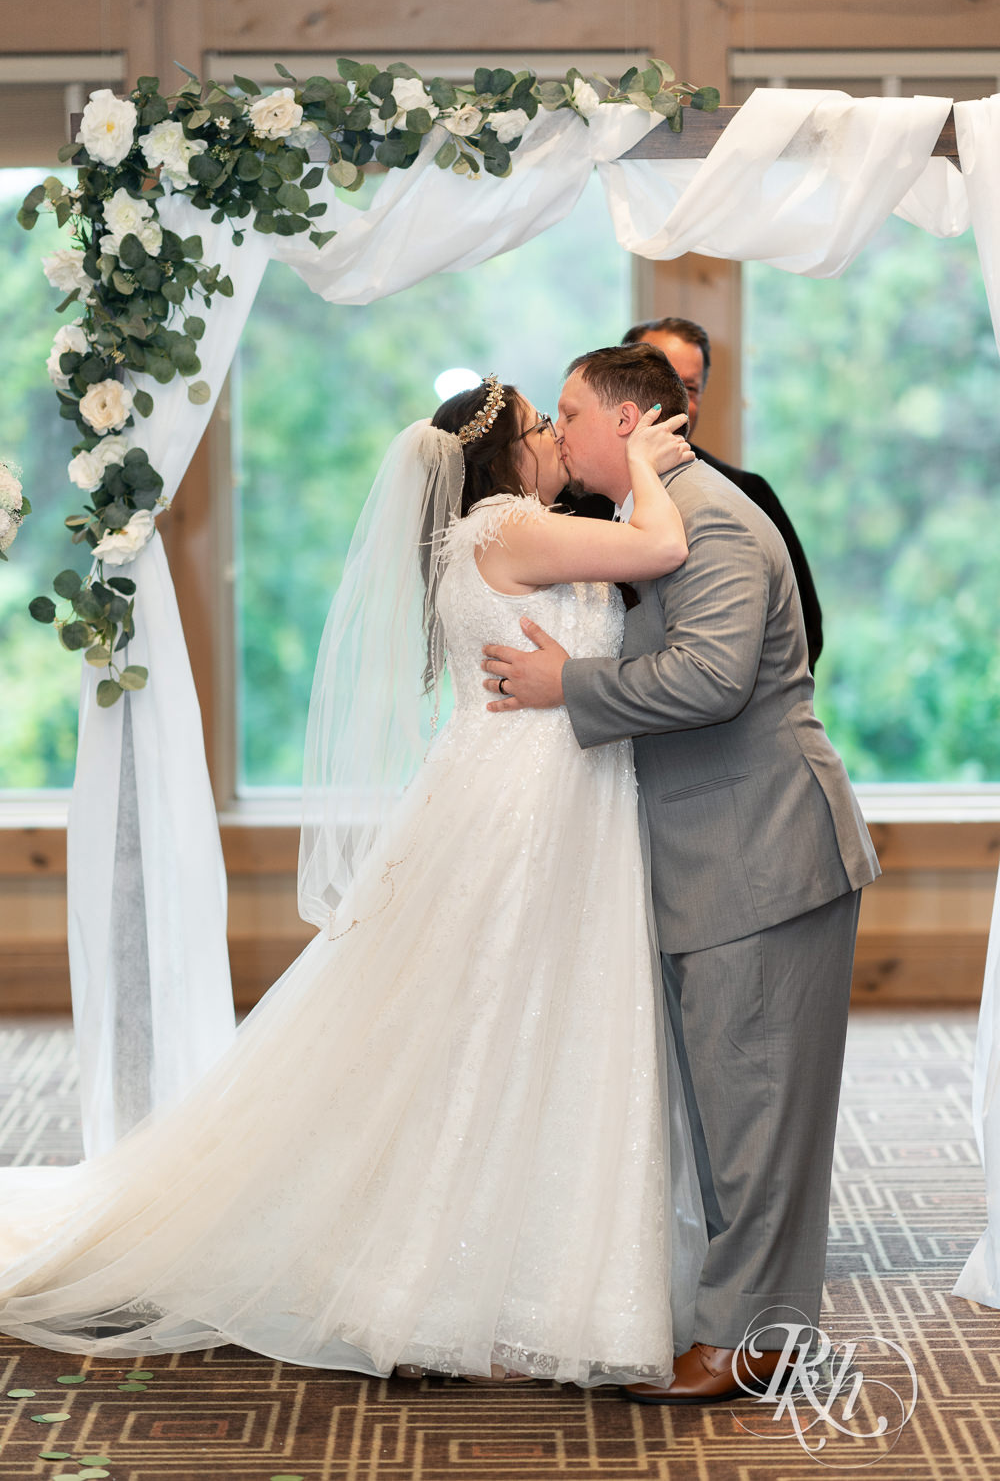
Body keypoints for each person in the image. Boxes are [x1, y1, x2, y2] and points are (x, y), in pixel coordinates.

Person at [0, 378, 708, 1389]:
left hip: (536, 794)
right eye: (542, 427)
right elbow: (661, 550)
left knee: (519, 1029)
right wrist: (647, 456)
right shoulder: (507, 527)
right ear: (503, 458)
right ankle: (463, 1290)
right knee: (510, 1025)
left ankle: (505, 1282)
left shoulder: (503, 533)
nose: (557, 438)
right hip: (527, 806)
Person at [483, 343, 881, 1405]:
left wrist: (571, 683)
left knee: (754, 1111)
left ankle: (751, 1340)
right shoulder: (656, 514)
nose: (559, 434)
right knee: (729, 1108)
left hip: (762, 848)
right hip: (719, 850)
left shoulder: (704, 518)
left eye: (569, 414)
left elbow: (709, 680)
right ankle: (744, 1322)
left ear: (623, 421)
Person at [559, 317, 824, 673]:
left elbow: (791, 636)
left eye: (688, 386)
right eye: (657, 375)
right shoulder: (574, 495)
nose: (672, 397)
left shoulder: (730, 498)